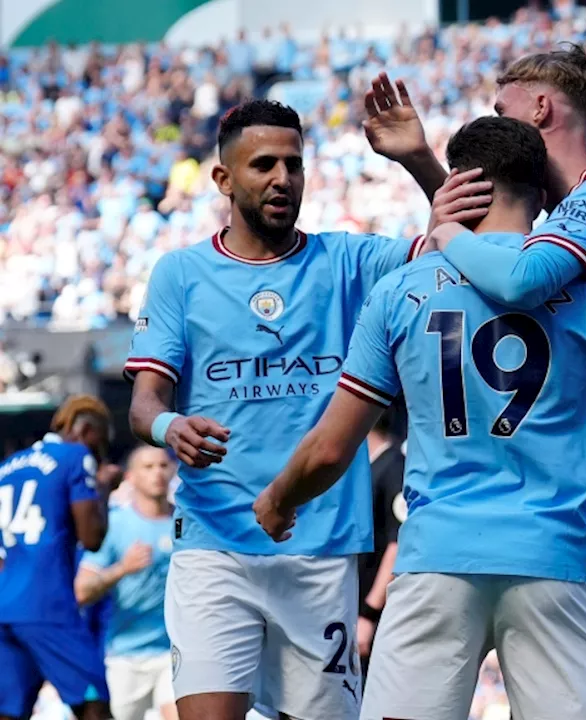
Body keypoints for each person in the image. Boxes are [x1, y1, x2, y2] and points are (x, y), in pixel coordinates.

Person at [251, 116, 586, 720]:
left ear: (459, 185)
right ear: (543, 199)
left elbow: (331, 449)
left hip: (437, 559)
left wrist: (280, 498)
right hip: (556, 562)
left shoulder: (399, 291)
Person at [123, 97, 447, 720]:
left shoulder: (349, 263)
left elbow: (466, 240)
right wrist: (170, 426)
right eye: (263, 164)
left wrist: (417, 159)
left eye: (293, 165)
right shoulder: (181, 274)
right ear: (223, 179)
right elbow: (144, 404)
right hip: (214, 545)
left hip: (321, 549)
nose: (282, 179)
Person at [383, 43, 586, 705]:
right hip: (551, 501)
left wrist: (443, 232)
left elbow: (515, 276)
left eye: (502, 108)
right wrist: (423, 164)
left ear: (541, 107)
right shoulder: (562, 222)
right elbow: (500, 238)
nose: (498, 123)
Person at [0, 395, 119, 720]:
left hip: (5, 605)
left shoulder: (8, 466)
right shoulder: (76, 455)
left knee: (9, 711)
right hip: (48, 604)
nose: (100, 455)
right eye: (100, 445)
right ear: (85, 430)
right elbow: (91, 539)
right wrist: (104, 490)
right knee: (94, 704)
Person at [76, 446, 179, 720]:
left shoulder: (187, 523)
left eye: (163, 465)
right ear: (131, 477)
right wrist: (123, 568)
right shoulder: (115, 524)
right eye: (148, 467)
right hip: (125, 655)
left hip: (175, 651)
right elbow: (81, 592)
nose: (157, 473)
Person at [356, 410, 405, 671]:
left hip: (375, 620)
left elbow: (398, 546)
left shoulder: (395, 466)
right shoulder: (368, 468)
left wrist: (368, 614)